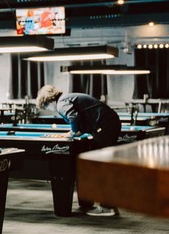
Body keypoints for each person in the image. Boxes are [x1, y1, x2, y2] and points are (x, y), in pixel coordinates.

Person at [36, 84, 122, 217]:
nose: (49, 109)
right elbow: (82, 119)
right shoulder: (67, 98)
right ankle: (108, 206)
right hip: (108, 123)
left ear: (48, 101)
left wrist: (72, 132)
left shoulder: (60, 103)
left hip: (105, 125)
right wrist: (73, 132)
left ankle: (108, 207)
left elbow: (73, 117)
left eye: (46, 106)